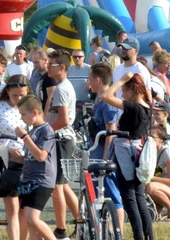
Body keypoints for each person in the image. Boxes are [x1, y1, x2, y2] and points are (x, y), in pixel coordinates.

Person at [98, 72, 153, 240]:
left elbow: (105, 96)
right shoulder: (148, 107)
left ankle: (139, 236)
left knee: (129, 199)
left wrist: (121, 80)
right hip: (139, 154)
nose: (122, 94)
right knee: (139, 198)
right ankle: (148, 236)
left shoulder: (133, 107)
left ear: (132, 90)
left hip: (126, 155)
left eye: (123, 90)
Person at [0, 75, 30, 240]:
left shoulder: (31, 107)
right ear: (8, 92)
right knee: (13, 207)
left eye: (22, 95)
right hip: (6, 161)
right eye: (15, 95)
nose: (18, 99)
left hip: (27, 160)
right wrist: (6, 149)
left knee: (25, 209)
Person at [86, 64, 125, 226]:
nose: (88, 82)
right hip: (97, 153)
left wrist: (105, 159)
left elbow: (111, 132)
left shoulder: (108, 103)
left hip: (104, 155)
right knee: (99, 194)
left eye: (90, 79)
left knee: (112, 195)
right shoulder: (100, 99)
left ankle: (118, 231)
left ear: (97, 79)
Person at [14, 94, 57, 240]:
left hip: (41, 180)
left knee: (32, 218)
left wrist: (25, 138)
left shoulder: (46, 130)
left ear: (34, 112)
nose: (21, 118)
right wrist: (13, 156)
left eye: (23, 114)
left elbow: (41, 156)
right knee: (30, 223)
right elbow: (31, 157)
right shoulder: (34, 130)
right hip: (28, 179)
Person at [46, 49, 79, 240]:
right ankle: (82, 221)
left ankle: (61, 230)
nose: (48, 67)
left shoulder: (61, 88)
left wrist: (44, 131)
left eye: (52, 65)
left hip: (60, 139)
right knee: (63, 185)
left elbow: (64, 119)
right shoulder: (62, 86)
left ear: (63, 67)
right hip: (63, 139)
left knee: (56, 185)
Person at [29, 48, 56, 113]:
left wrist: (45, 116)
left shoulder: (50, 77)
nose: (34, 65)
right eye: (33, 62)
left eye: (37, 62)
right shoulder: (43, 76)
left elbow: (50, 99)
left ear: (45, 60)